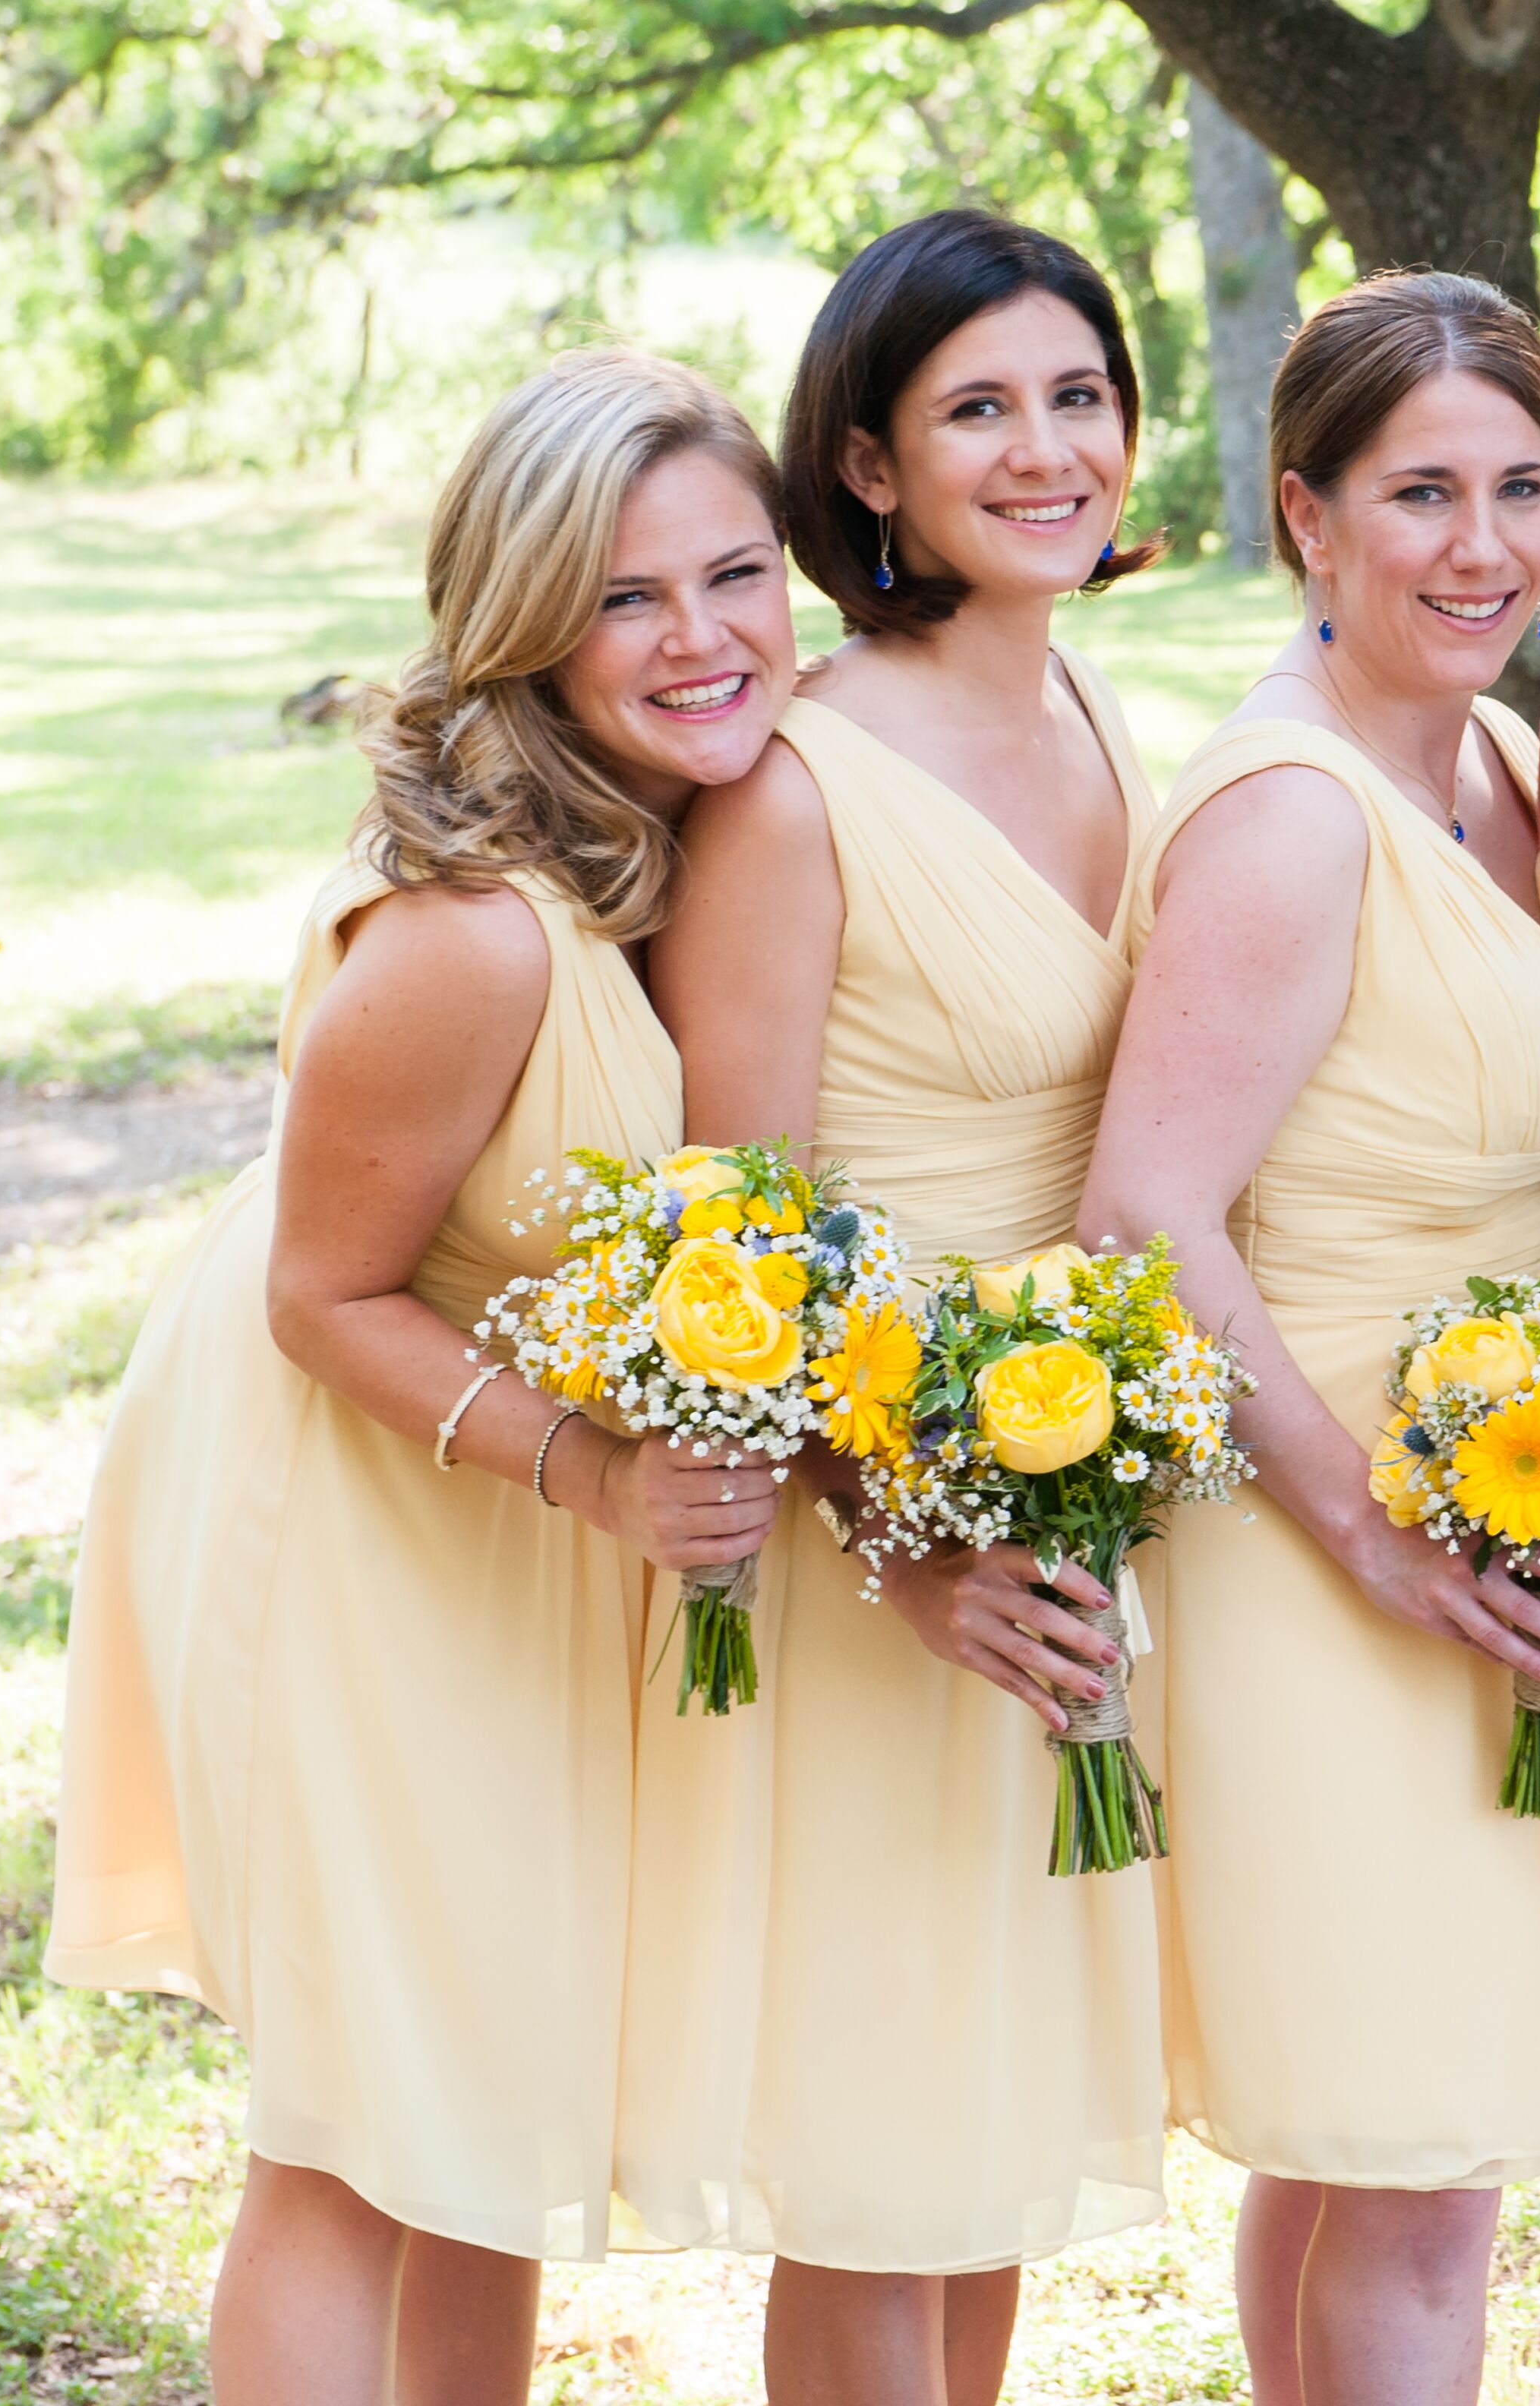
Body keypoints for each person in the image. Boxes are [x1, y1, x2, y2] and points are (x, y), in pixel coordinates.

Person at [46, 350, 797, 2404]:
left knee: (480, 2113)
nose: (705, 635)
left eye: (738, 571)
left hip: (485, 1519)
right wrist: (601, 1477)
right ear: (526, 628)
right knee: (360, 2135)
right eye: (630, 598)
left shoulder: (676, 845)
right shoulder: (474, 935)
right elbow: (320, 1291)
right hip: (355, 1523)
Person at [1078, 270, 1540, 2406]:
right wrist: (1379, 1535)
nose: (1481, 543)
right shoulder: (1296, 811)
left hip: (1480, 1506)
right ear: (1305, 514)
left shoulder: (1491, 756)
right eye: (1419, 493)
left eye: (1518, 485)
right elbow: (1144, 1214)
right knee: (1413, 2178)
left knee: (1362, 2166)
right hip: (1333, 1536)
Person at [641, 211, 1167, 2406]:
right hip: (890, 1540)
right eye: (978, 410)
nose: (1045, 450)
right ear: (865, 467)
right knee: (878, 2164)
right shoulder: (793, 788)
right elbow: (740, 1240)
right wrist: (909, 1549)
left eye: (1077, 397)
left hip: (1079, 1498)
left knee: (999, 2148)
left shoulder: (1107, 718)